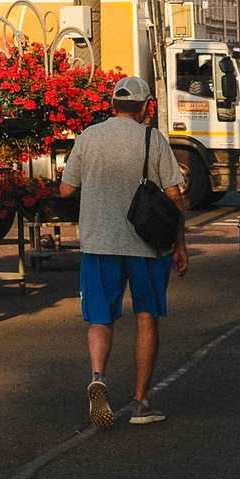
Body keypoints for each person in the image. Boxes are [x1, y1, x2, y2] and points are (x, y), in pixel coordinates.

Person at [56, 75, 188, 428]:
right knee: (146, 318)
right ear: (145, 107)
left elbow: (66, 190)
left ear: (113, 105)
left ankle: (98, 376)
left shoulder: (88, 136)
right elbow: (175, 195)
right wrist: (180, 245)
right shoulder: (152, 138)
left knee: (100, 317)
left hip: (99, 242)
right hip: (147, 244)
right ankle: (141, 402)